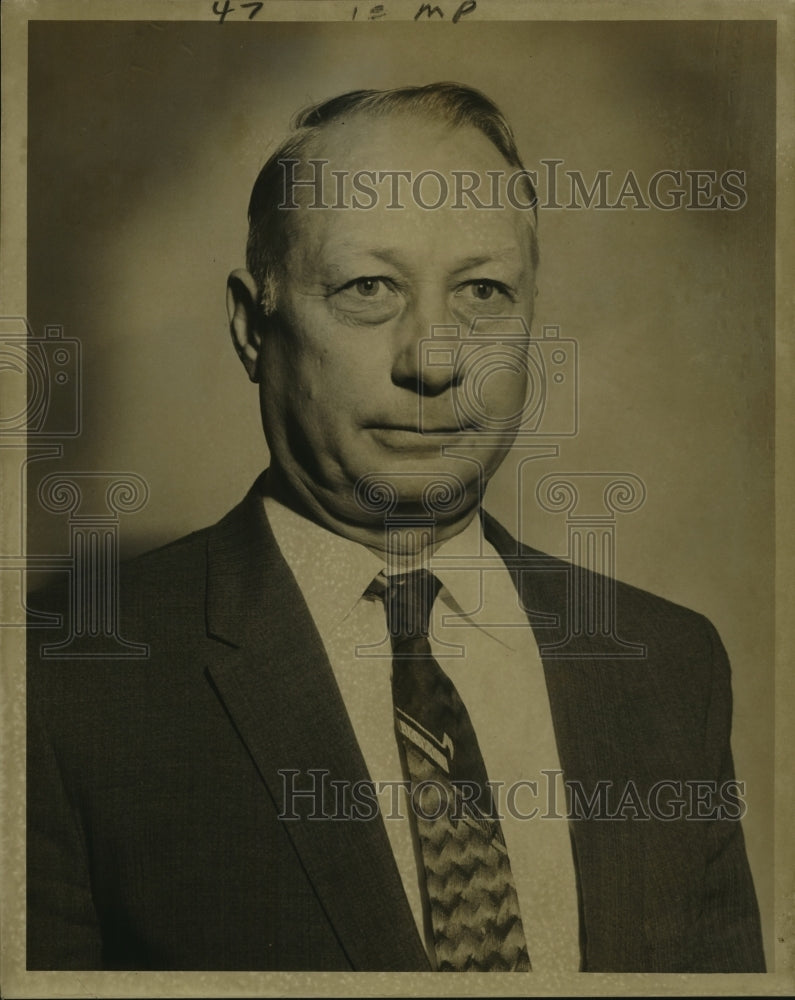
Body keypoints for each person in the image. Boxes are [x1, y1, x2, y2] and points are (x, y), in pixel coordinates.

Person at [26, 83, 765, 973]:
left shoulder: (669, 669)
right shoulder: (62, 684)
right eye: (368, 288)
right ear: (250, 325)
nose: (434, 359)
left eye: (484, 291)